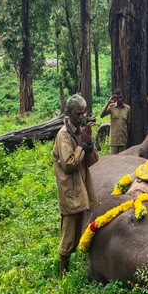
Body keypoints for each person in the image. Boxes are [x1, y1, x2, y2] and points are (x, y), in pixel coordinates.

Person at [53, 94, 99, 277]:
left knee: (80, 227)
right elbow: (69, 164)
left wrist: (89, 144)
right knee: (68, 235)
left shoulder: (78, 131)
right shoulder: (63, 135)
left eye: (83, 114)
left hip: (81, 187)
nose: (81, 117)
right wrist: (81, 145)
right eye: (78, 114)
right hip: (70, 190)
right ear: (69, 112)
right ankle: (63, 276)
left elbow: (95, 160)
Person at [99, 88, 130, 154]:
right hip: (114, 141)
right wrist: (108, 102)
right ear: (115, 98)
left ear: (123, 96)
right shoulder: (111, 107)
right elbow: (101, 115)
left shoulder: (127, 108)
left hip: (123, 140)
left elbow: (128, 123)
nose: (119, 99)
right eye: (118, 97)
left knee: (122, 160)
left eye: (121, 97)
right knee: (113, 161)